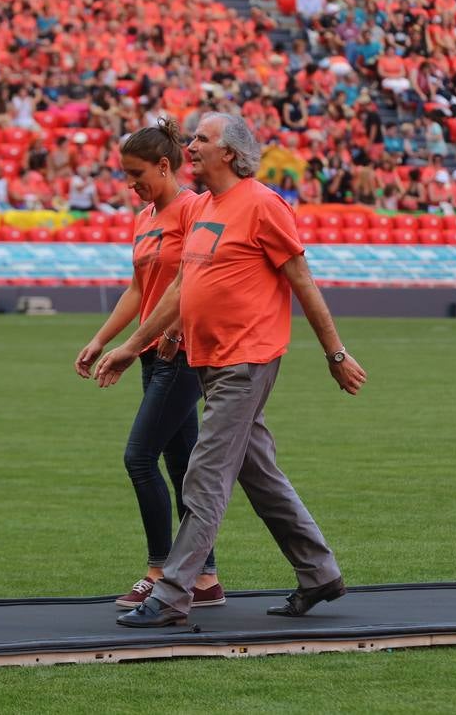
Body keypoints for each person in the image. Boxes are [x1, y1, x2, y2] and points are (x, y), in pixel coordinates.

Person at [95, 112, 367, 629]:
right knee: (258, 473)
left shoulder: (263, 205)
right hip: (207, 360)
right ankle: (320, 573)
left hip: (246, 360)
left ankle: (174, 592)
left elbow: (302, 281)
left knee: (204, 475)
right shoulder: (204, 208)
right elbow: (180, 290)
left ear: (231, 153)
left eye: (201, 139)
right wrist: (134, 345)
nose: (190, 146)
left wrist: (335, 353)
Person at [74, 118, 223, 610]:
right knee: (181, 463)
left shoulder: (193, 210)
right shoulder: (144, 218)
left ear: (165, 165)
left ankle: (160, 569)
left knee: (139, 458)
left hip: (181, 352)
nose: (131, 184)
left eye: (137, 173)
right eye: (125, 174)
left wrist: (174, 330)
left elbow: (194, 280)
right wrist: (100, 339)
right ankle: (204, 579)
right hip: (148, 352)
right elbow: (139, 289)